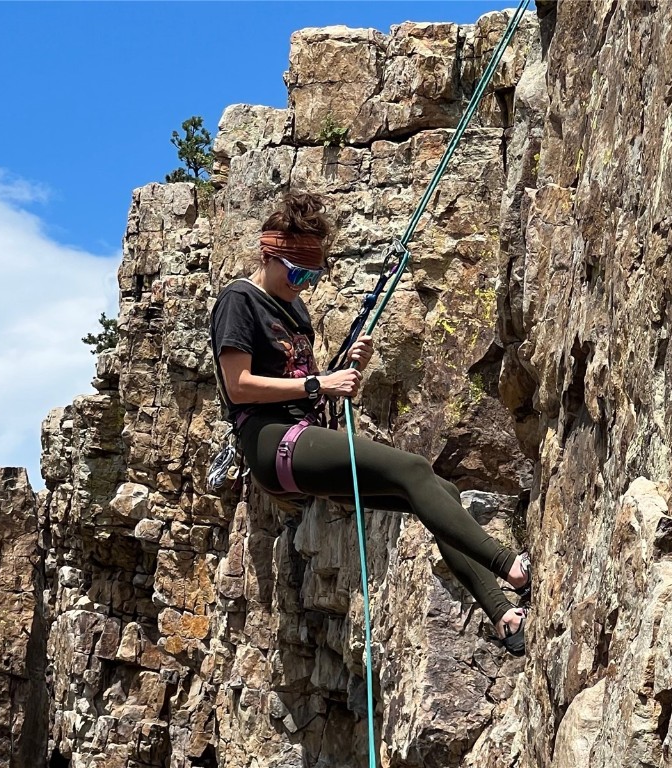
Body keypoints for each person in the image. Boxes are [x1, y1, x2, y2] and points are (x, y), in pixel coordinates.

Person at [210, 191, 532, 655]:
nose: (302, 284)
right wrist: (320, 385)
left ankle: (501, 612)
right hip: (270, 441)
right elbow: (239, 385)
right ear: (269, 254)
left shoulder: (296, 310)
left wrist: (345, 369)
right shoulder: (239, 300)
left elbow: (300, 379)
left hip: (304, 435)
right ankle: (511, 565)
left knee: (441, 493)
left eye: (311, 275)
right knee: (413, 471)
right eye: (296, 272)